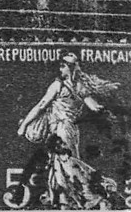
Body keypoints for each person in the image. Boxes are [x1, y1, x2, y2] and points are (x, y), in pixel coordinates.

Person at [16, 53, 120, 207]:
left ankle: (93, 192)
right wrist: (106, 109)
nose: (61, 69)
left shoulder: (58, 86)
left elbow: (40, 106)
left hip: (61, 130)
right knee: (61, 164)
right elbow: (94, 106)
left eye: (63, 66)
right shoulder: (79, 87)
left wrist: (24, 125)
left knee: (65, 164)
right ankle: (63, 199)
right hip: (71, 131)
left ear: (65, 67)